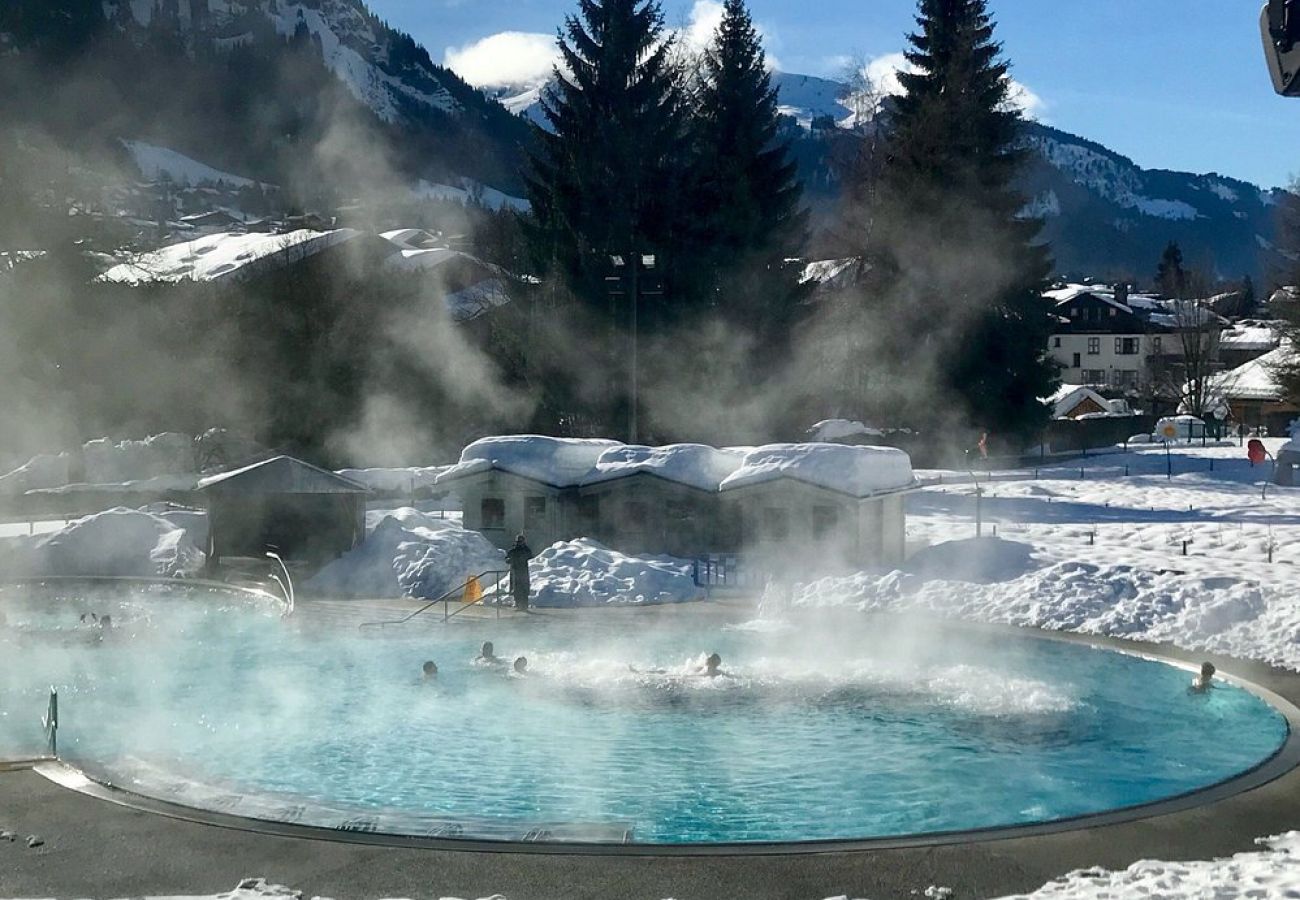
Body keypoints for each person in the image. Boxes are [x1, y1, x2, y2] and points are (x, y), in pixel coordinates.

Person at [506, 534, 533, 612]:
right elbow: (507, 558)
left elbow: (530, 556)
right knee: (516, 589)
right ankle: (518, 605)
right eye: (518, 541)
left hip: (523, 572)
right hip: (515, 572)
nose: (519, 543)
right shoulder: (513, 550)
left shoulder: (526, 550)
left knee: (524, 589)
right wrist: (509, 560)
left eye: (521, 541)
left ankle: (524, 606)